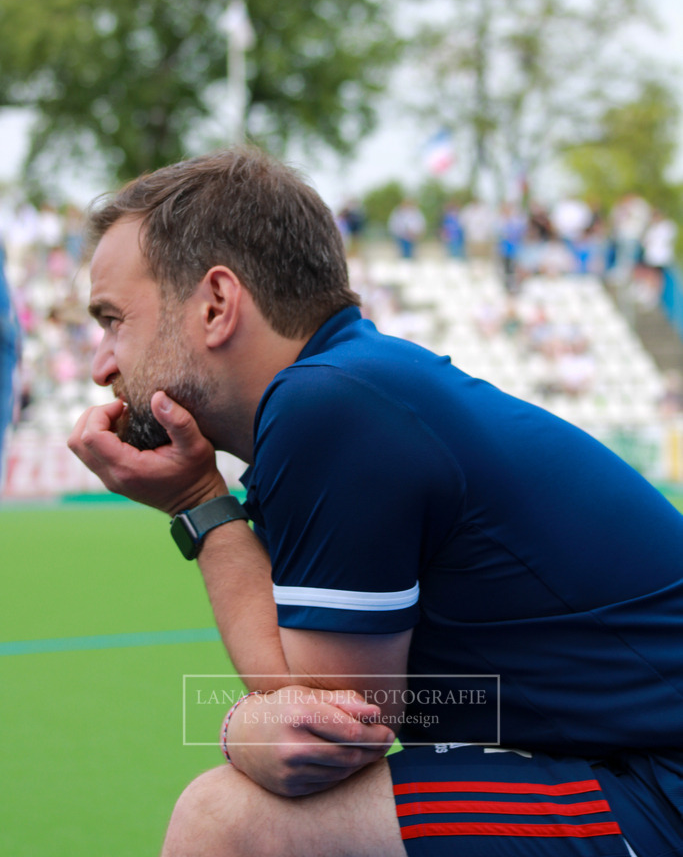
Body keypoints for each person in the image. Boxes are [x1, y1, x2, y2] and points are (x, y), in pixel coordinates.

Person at [68, 146, 683, 857]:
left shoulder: (328, 404)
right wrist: (202, 499)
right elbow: (323, 715)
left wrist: (201, 507)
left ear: (215, 304)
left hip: (660, 780)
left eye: (114, 320)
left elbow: (330, 730)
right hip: (621, 761)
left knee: (227, 822)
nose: (101, 365)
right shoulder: (346, 385)